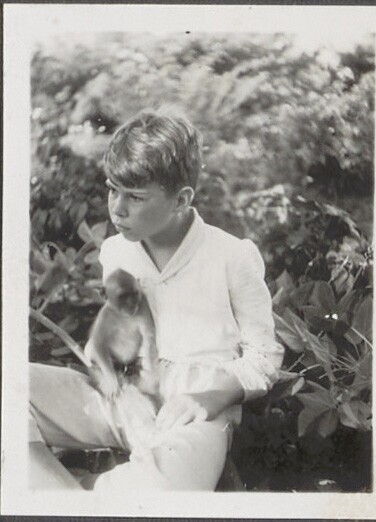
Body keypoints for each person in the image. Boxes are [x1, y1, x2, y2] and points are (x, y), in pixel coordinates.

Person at [29, 108, 284, 492]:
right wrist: (109, 371)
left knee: (169, 487)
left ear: (181, 199)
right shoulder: (115, 251)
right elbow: (120, 334)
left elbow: (264, 358)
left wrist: (211, 397)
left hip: (193, 415)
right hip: (124, 403)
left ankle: (64, 492)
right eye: (112, 189)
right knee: (12, 386)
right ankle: (71, 495)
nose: (117, 207)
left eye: (135, 197)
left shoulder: (231, 256)